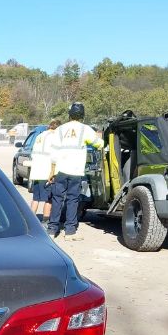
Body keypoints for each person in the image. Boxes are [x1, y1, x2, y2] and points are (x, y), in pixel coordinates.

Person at [48, 102, 103, 240]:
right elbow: (98, 144)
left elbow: (53, 151)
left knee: (57, 199)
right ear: (82, 115)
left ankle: (52, 229)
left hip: (60, 170)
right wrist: (100, 137)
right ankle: (70, 231)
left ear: (69, 114)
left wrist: (52, 171)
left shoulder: (60, 129)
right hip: (76, 171)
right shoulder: (85, 129)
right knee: (73, 200)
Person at [28, 120, 60, 222]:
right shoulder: (54, 137)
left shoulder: (40, 136)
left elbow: (33, 153)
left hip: (36, 171)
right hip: (47, 172)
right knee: (48, 199)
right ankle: (46, 220)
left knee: (36, 198)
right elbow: (55, 155)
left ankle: (31, 220)